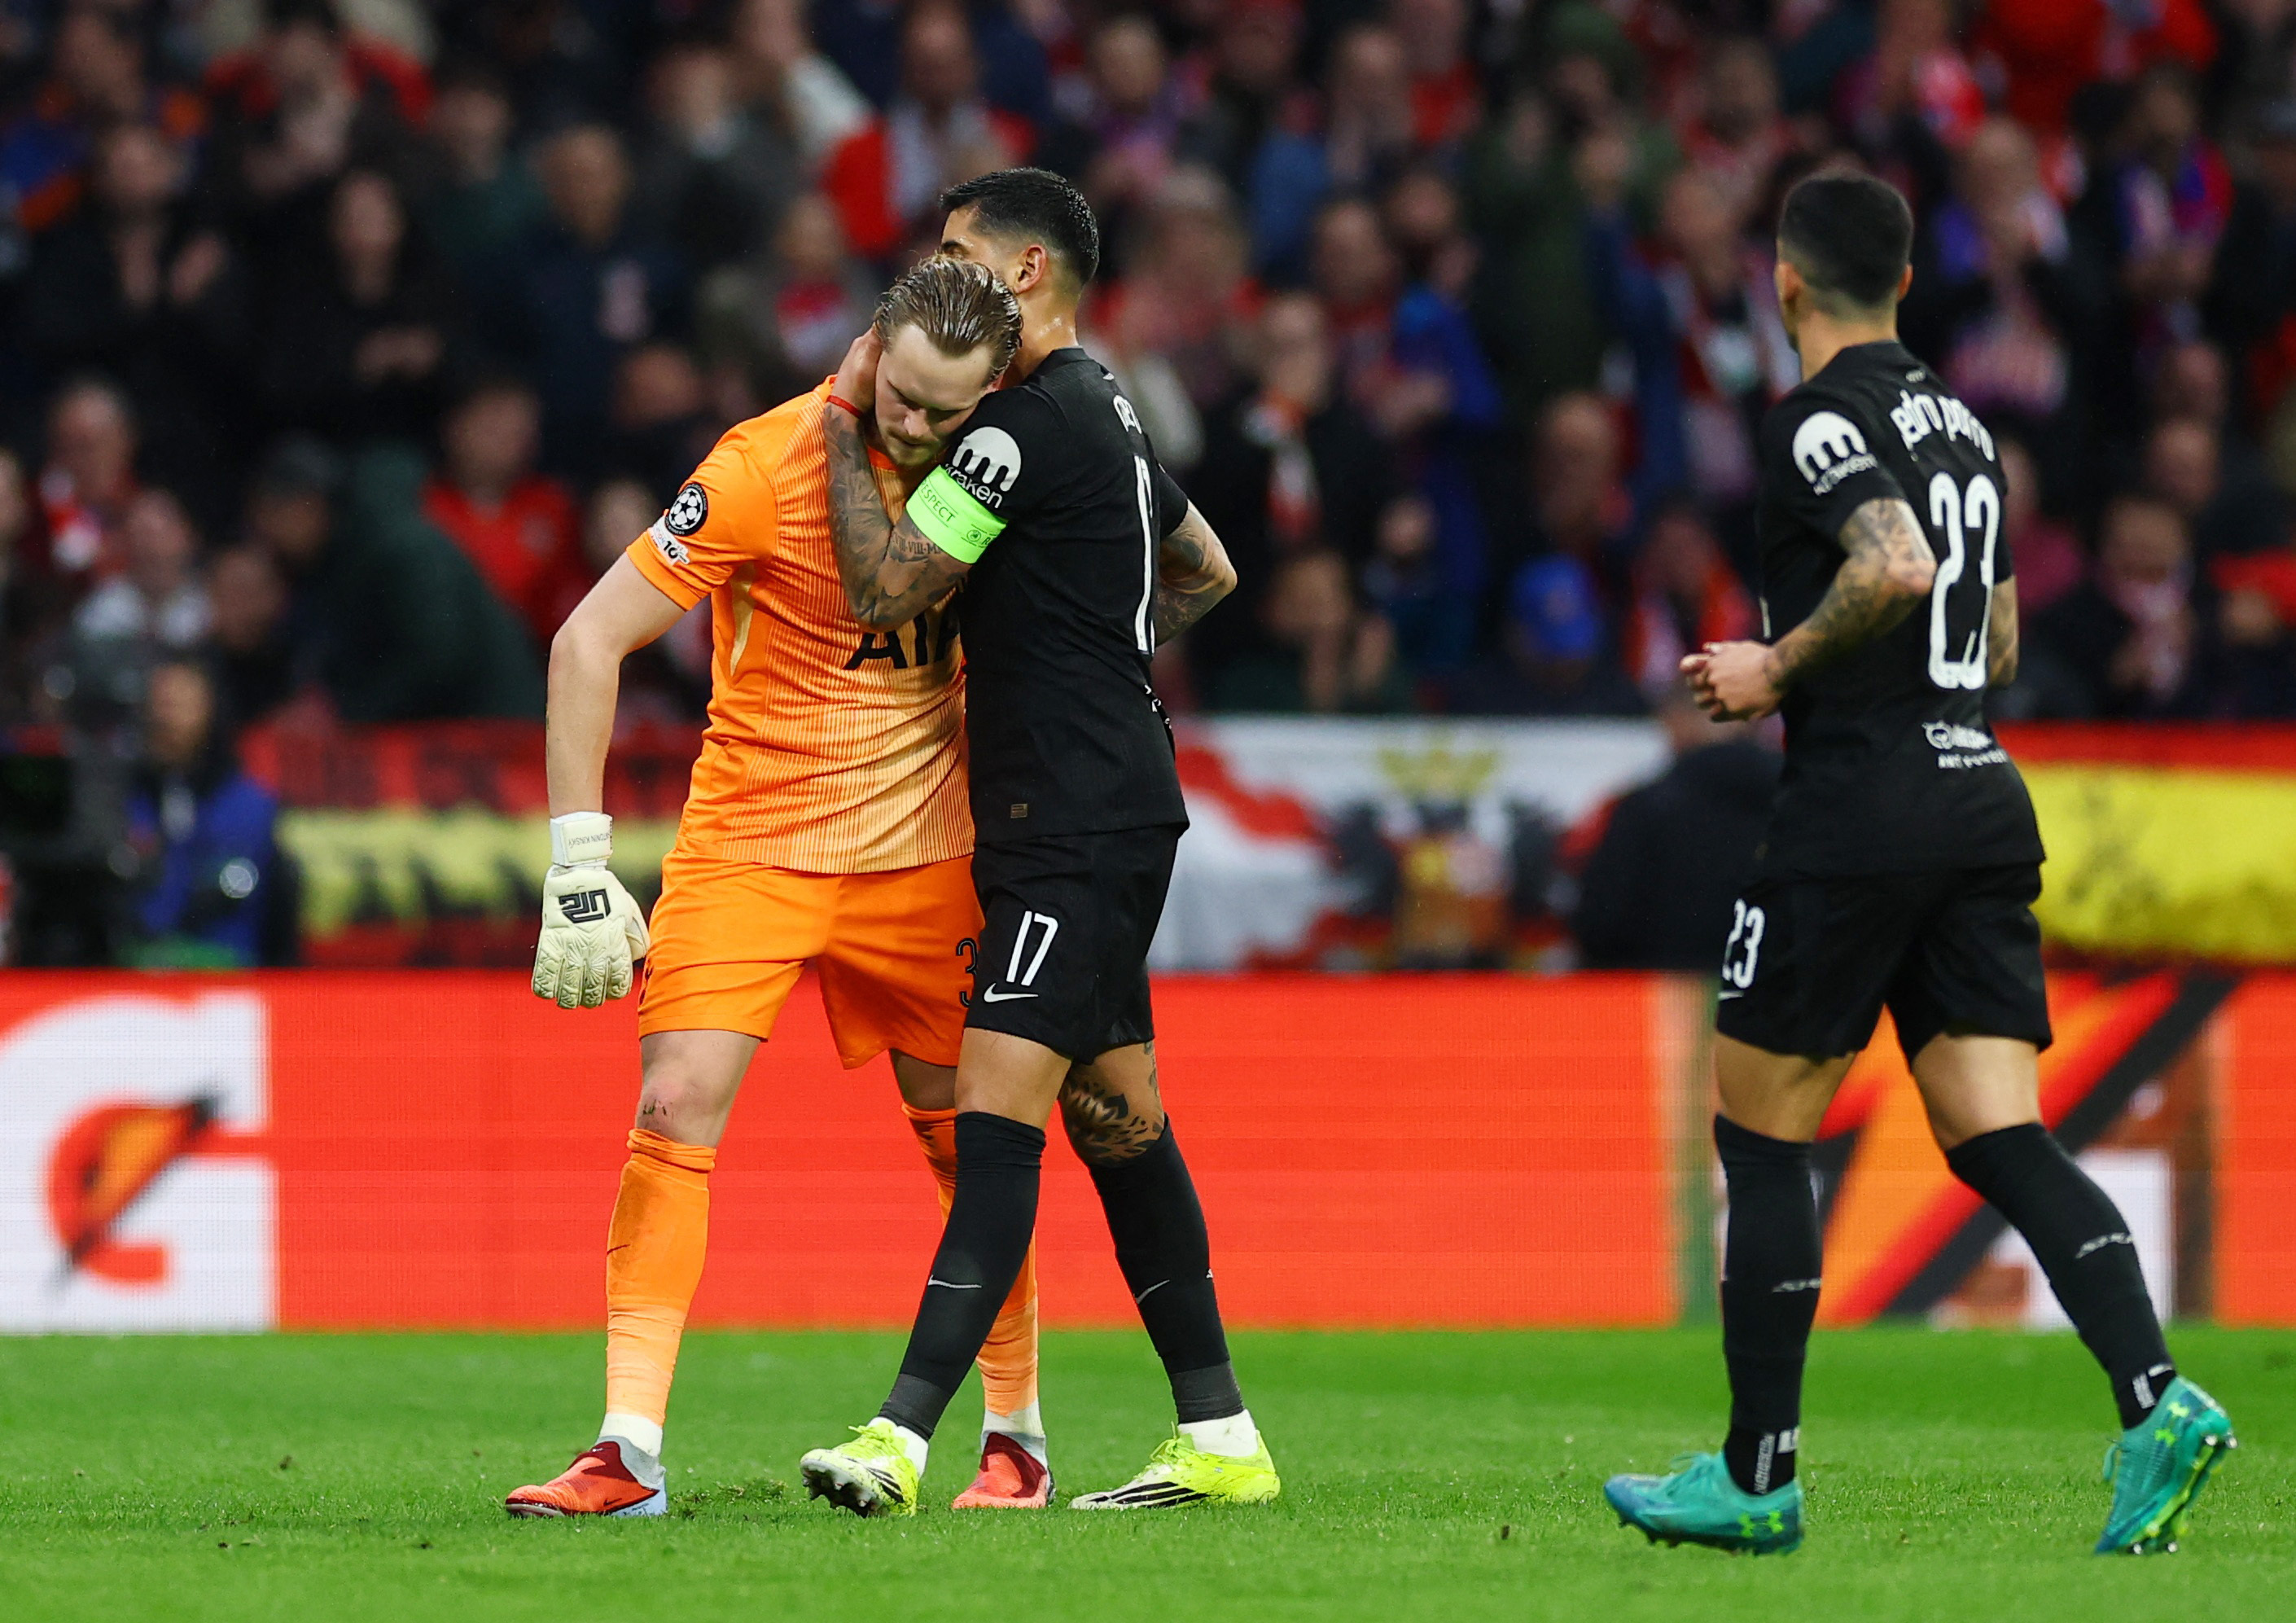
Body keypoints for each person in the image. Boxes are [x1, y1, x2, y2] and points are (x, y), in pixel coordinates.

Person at [1604, 172, 2235, 1558]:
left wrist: (1776, 663)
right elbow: (1995, 638)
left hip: (1856, 805)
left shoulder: (1814, 420)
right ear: (1902, 281)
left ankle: (1755, 1475)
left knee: (1761, 1136)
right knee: (2003, 1135)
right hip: (1975, 787)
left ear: (1784, 283)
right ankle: (2154, 1396)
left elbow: (1888, 563)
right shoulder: (1964, 427)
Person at [505, 257, 1052, 1520]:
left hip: (928, 861)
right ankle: (626, 1450)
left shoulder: (1007, 480)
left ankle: (1015, 1440)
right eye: (901, 396)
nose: (913, 427)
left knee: (973, 1144)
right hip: (751, 843)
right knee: (675, 1102)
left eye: (945, 413)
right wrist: (580, 858)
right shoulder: (761, 467)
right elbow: (588, 639)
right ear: (870, 348)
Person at [797, 168, 1270, 1517]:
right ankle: (1220, 1431)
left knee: (993, 1119)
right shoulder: (1108, 401)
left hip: (1064, 814)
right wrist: (1082, 648)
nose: (930, 277)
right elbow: (1207, 568)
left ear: (1020, 276)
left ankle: (900, 1434)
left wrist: (842, 416)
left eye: (954, 254)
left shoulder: (1012, 426)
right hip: (1112, 792)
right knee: (1119, 1118)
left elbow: (886, 580)